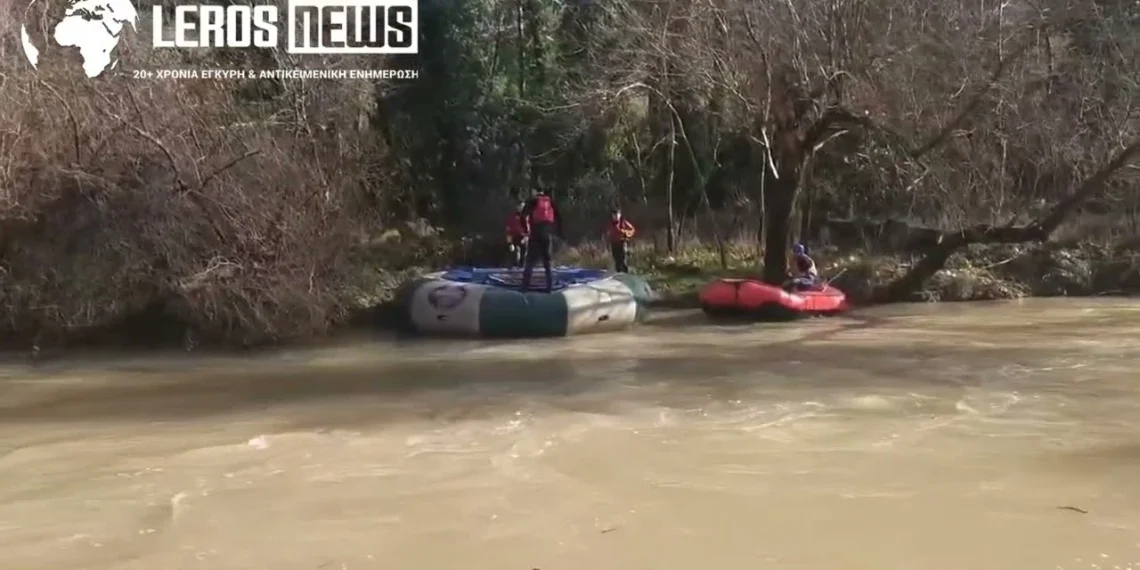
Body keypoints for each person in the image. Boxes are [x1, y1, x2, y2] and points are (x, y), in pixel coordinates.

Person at [520, 188, 562, 292]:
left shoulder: (533, 201)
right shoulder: (550, 202)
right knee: (547, 263)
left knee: (529, 262)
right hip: (547, 235)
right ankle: (550, 288)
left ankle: (525, 288)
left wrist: (526, 230)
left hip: (535, 234)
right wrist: (558, 233)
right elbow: (559, 217)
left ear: (535, 191)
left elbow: (522, 216)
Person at [605, 207, 636, 273]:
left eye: (617, 215)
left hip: (622, 242)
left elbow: (632, 230)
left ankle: (626, 274)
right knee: (617, 261)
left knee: (623, 260)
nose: (615, 217)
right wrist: (607, 243)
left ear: (620, 215)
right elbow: (607, 234)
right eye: (614, 215)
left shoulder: (624, 222)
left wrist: (624, 232)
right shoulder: (610, 224)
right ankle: (618, 274)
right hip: (614, 244)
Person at [505, 200, 529, 267]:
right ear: (517, 206)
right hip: (515, 238)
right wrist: (510, 243)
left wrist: (525, 238)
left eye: (523, 206)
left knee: (524, 253)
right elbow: (508, 232)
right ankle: (513, 266)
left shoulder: (527, 217)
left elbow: (529, 230)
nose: (521, 208)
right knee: (515, 253)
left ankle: (522, 266)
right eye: (520, 206)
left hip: (524, 238)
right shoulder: (512, 217)